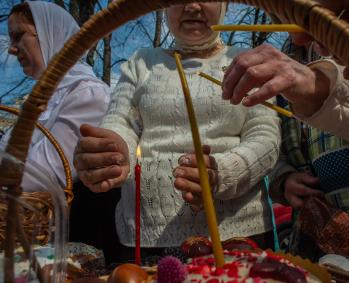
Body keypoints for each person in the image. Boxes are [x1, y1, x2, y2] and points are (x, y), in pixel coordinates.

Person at [73, 2, 281, 263]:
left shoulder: (246, 61)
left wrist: (222, 172)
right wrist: (115, 151)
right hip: (144, 238)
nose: (192, 6)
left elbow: (265, 136)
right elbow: (121, 121)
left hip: (236, 236)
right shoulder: (141, 62)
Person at [220, 12, 349, 254]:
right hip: (317, 241)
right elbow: (280, 143)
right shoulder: (287, 54)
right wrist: (284, 179)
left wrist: (315, 86)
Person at [4, 1, 110, 192]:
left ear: (51, 33)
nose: (12, 49)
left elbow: (44, 174)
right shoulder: (44, 100)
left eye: (18, 36)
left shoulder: (88, 95)